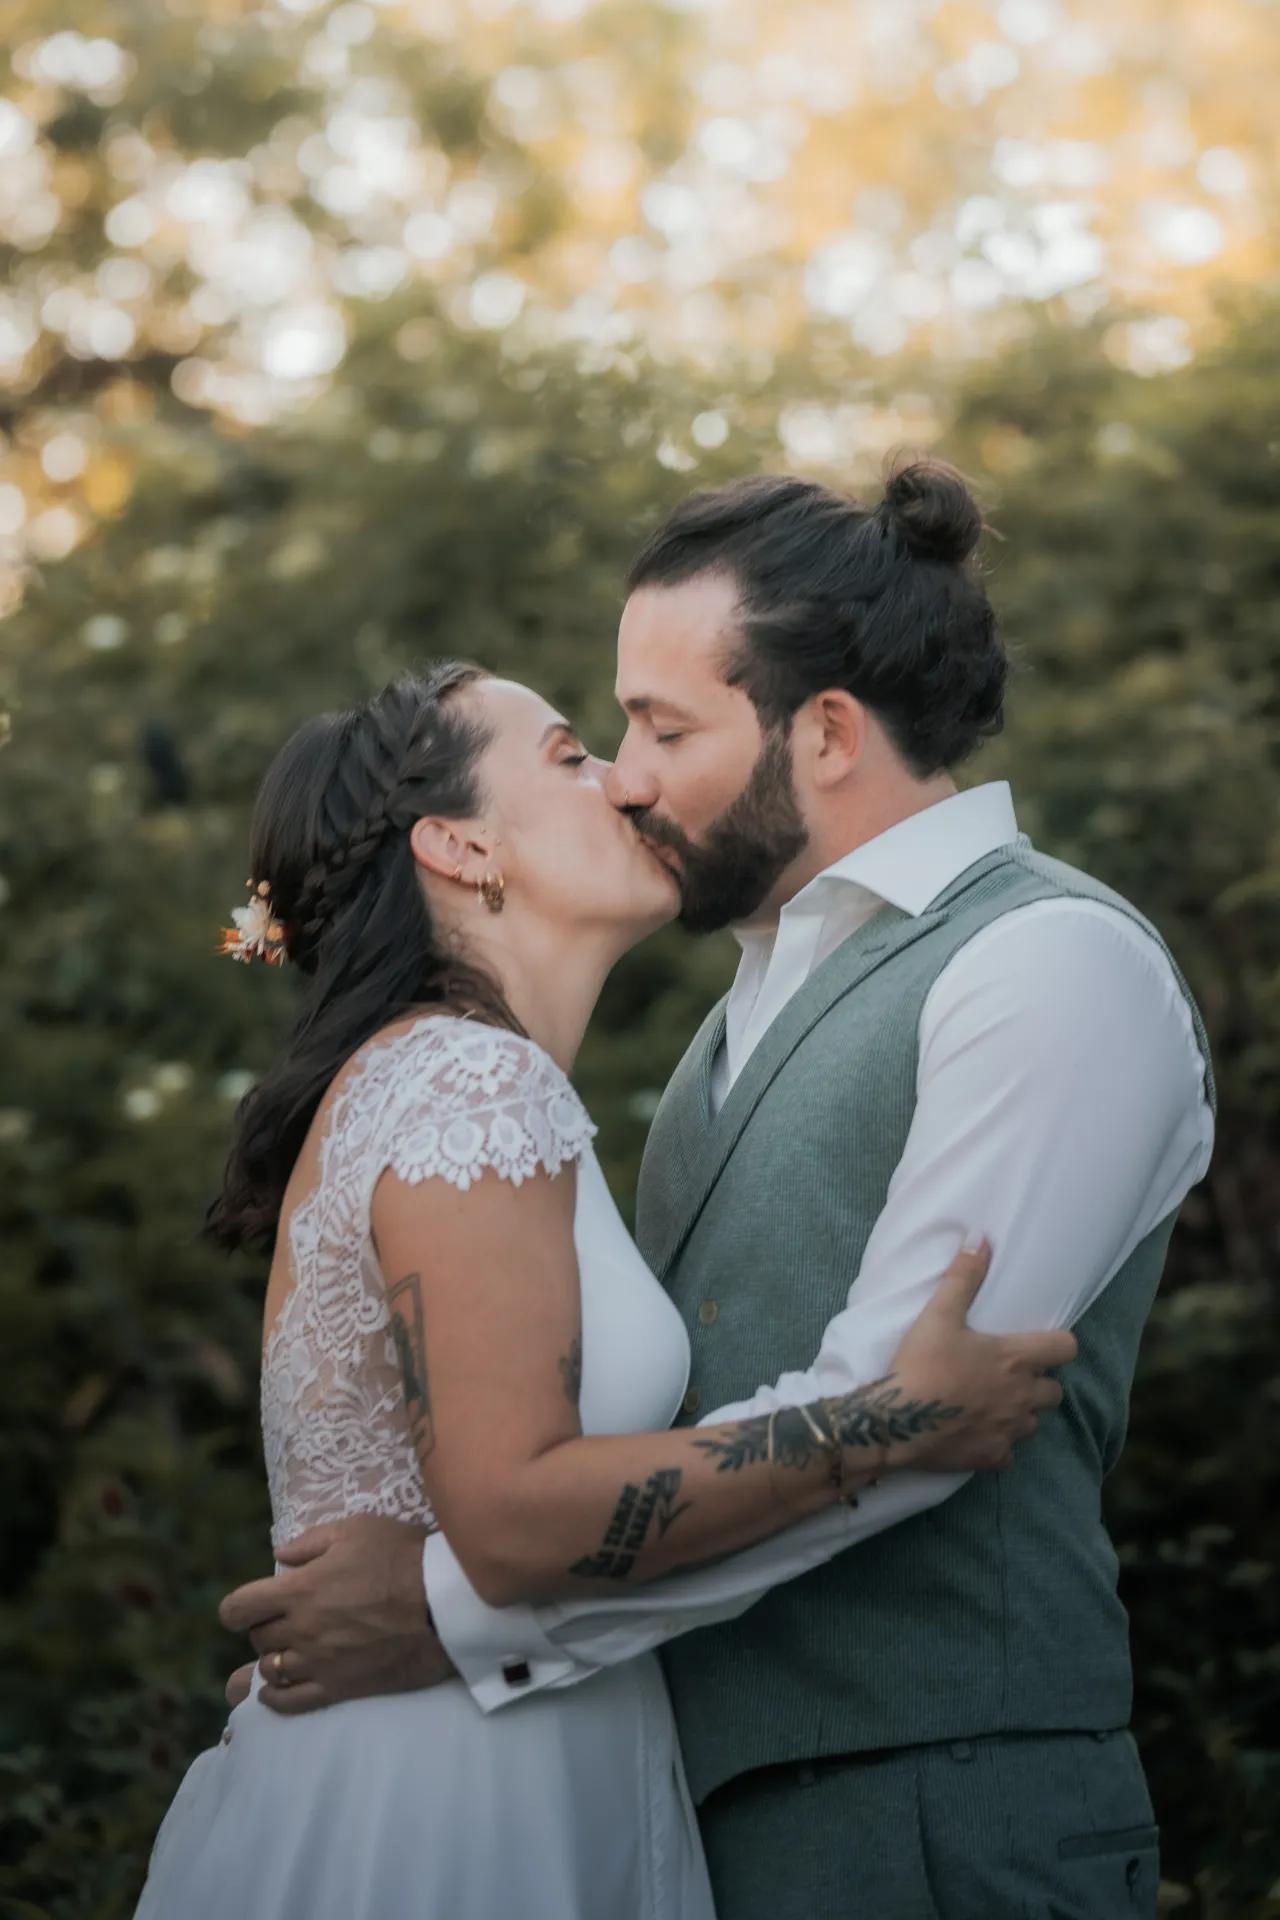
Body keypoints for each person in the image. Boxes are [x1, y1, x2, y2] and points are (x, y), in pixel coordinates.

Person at [218, 458, 1215, 1920]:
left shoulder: (1048, 965)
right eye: (600, 736)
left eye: (660, 726)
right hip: (666, 1812)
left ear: (823, 732)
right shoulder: (712, 1038)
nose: (627, 773)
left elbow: (927, 1411)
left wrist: (442, 1618)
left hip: (931, 1811)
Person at [134, 654, 1072, 1920]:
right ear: (460, 846)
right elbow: (513, 1519)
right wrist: (892, 1419)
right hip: (450, 1808)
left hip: (475, 1749)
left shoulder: (444, 1083)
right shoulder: (467, 1084)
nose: (627, 784)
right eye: (572, 755)